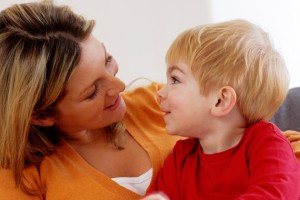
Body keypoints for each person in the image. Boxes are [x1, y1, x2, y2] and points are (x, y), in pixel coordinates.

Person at [0, 1, 181, 199]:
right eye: (92, 92)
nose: (119, 86)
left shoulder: (161, 102)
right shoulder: (22, 175)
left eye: (107, 60)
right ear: (42, 115)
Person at [144, 19, 300, 199]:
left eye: (175, 80)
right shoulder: (181, 158)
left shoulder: (266, 143)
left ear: (221, 101)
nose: (160, 93)